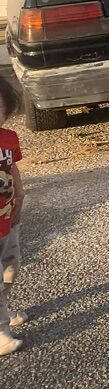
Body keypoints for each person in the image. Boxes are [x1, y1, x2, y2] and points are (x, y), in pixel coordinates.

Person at [0, 78, 25, 355]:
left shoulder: (8, 138)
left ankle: (5, 308)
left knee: (11, 267)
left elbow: (13, 168)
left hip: (9, 219)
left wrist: (20, 191)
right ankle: (1, 333)